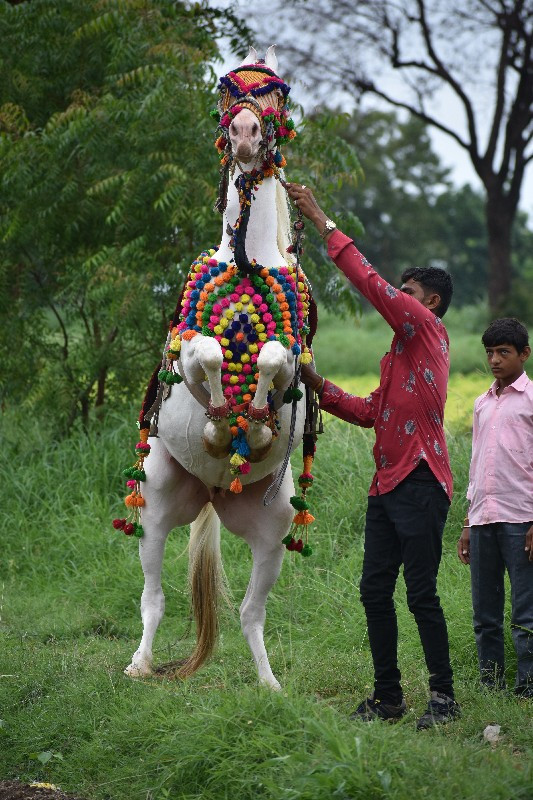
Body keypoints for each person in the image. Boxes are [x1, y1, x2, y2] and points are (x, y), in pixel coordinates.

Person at [285, 182, 459, 730]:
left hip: (423, 481)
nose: (397, 295)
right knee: (374, 590)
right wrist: (317, 384)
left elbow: (370, 283)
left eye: (407, 290)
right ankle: (388, 698)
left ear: (427, 301)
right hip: (387, 485)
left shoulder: (426, 330)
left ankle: (444, 699)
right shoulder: (398, 357)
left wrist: (318, 217)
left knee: (422, 595)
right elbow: (370, 412)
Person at [457, 318, 533, 697]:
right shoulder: (482, 403)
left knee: (526, 612)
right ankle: (490, 685)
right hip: (484, 517)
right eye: (490, 352)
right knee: (485, 614)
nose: (495, 360)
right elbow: (476, 463)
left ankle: (528, 688)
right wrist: (468, 521)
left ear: (524, 354)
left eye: (504, 352)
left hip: (523, 519)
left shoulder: (531, 400)